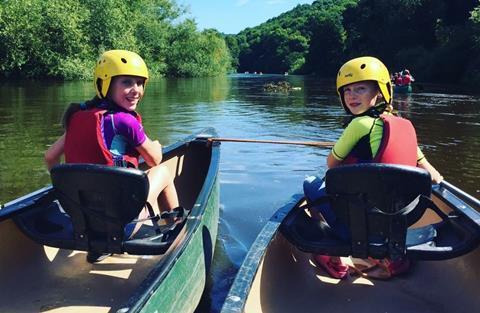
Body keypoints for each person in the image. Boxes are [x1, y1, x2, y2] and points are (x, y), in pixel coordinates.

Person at [304, 56, 443, 279]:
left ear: (379, 92)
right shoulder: (404, 126)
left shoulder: (359, 124)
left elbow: (331, 163)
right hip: (396, 225)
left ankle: (327, 252)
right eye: (347, 90)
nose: (352, 95)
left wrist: (343, 148)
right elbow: (432, 174)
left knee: (310, 182)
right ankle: (390, 257)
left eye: (360, 88)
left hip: (356, 225)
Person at [45, 50, 180, 263]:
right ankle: (175, 233)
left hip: (84, 222)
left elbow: (50, 158)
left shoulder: (78, 118)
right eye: (127, 82)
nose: (136, 90)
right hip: (122, 224)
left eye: (140, 83)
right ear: (105, 85)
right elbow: (155, 159)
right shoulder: (126, 122)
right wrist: (156, 145)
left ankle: (99, 249)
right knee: (161, 172)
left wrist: (67, 187)